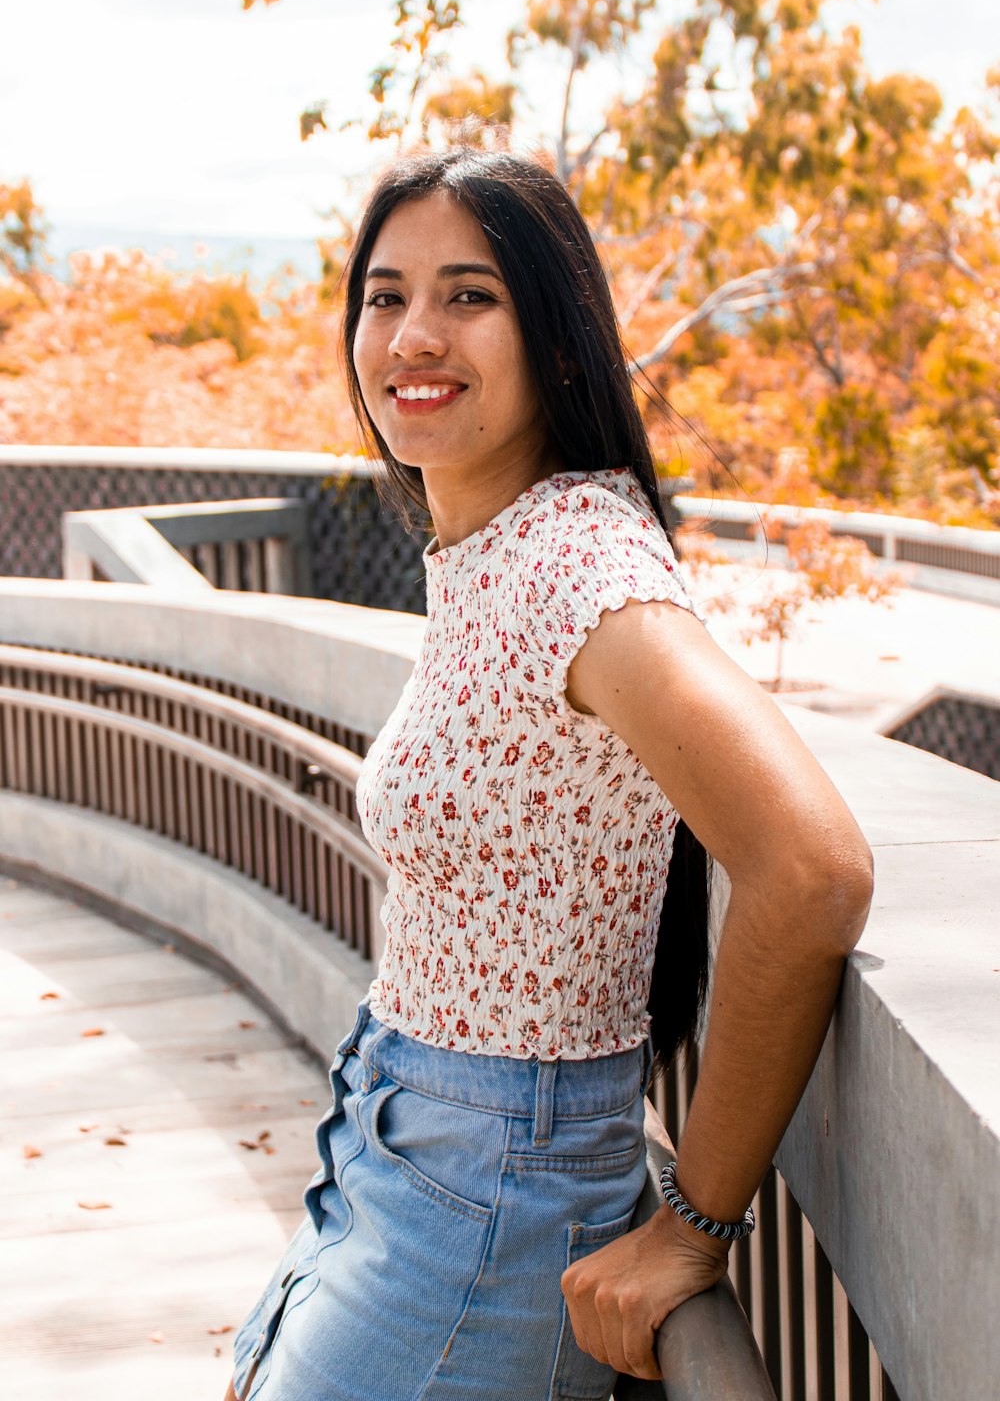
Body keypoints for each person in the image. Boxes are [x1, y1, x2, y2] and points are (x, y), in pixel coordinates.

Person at [226, 147, 872, 1401]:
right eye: (385, 294)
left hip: (488, 1192)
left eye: (470, 295)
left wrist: (694, 1222)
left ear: (560, 343)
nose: (415, 333)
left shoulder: (574, 570)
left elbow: (809, 865)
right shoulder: (493, 540)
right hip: (398, 1133)